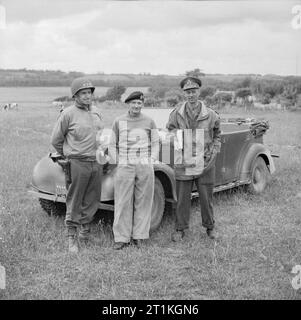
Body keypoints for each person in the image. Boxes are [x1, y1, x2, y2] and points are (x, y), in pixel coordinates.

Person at [51, 77, 104, 253]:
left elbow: (100, 134)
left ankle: (85, 233)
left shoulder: (96, 112)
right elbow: (56, 140)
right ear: (75, 96)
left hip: (96, 161)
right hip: (77, 162)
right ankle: (71, 238)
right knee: (75, 199)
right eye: (83, 93)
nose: (88, 96)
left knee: (92, 198)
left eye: (89, 93)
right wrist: (70, 154)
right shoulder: (68, 114)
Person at [166, 76, 221, 241]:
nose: (191, 95)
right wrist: (179, 138)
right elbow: (169, 131)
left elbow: (217, 135)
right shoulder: (176, 113)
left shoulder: (211, 115)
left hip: (204, 161)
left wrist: (215, 151)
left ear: (199, 91)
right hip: (183, 160)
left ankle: (210, 228)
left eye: (194, 91)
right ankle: (180, 229)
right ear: (184, 93)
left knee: (206, 197)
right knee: (182, 198)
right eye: (187, 92)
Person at [109, 91, 159, 250]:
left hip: (144, 164)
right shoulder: (119, 121)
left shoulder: (149, 121)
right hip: (125, 164)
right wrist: (118, 160)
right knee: (123, 201)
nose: (136, 106)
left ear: (142, 105)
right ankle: (121, 237)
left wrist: (151, 159)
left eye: (139, 103)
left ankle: (140, 236)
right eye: (134, 103)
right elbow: (112, 144)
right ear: (128, 104)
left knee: (143, 200)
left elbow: (156, 142)